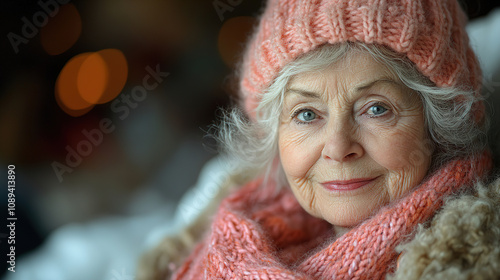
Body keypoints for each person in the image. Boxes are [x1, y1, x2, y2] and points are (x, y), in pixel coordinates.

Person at [138, 0, 500, 279]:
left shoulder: (477, 258)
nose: (338, 148)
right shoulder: (215, 234)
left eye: (376, 109)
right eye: (307, 114)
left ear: (438, 124)